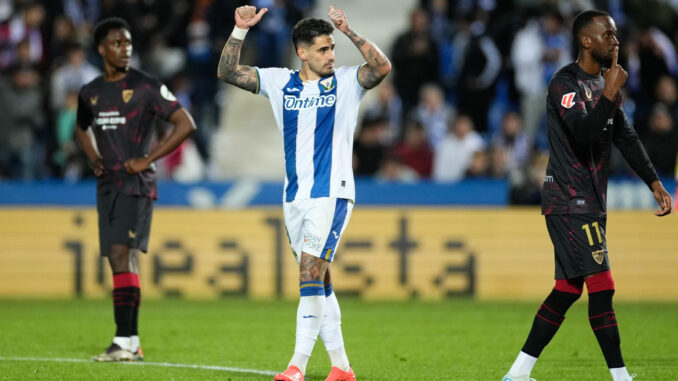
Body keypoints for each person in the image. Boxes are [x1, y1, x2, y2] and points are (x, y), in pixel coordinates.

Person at [217, 5, 391, 381]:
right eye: (324, 49)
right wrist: (239, 31)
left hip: (332, 192)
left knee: (309, 270)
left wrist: (350, 33)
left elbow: (381, 69)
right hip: (294, 197)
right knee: (320, 280)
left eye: (332, 48)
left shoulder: (346, 82)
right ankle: (342, 368)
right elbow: (228, 71)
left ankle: (296, 366)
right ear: (303, 52)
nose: (331, 55)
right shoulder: (280, 82)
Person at [502, 10, 672, 381]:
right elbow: (582, 133)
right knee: (603, 286)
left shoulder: (602, 83)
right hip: (568, 200)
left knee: (566, 290)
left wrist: (653, 181)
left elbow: (623, 136)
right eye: (608, 34)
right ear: (586, 41)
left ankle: (517, 374)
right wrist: (610, 92)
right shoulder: (564, 84)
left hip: (590, 201)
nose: (615, 41)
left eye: (615, 34)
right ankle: (621, 377)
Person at [75, 17, 196, 362]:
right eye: (117, 43)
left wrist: (148, 159)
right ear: (101, 49)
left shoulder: (145, 86)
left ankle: (123, 342)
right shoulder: (91, 92)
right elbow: (81, 128)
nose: (125, 49)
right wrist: (92, 156)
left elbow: (185, 123)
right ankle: (131, 342)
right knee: (121, 260)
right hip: (107, 183)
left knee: (118, 254)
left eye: (128, 43)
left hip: (136, 184)